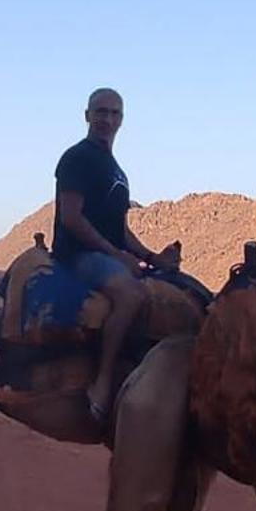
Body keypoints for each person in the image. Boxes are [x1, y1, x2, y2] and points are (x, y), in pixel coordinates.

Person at [53, 88, 176, 423]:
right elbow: (71, 218)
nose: (107, 119)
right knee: (131, 293)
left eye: (114, 113)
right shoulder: (77, 158)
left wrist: (152, 257)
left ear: (122, 119)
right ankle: (102, 380)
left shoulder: (115, 168)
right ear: (87, 115)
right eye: (101, 112)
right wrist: (116, 256)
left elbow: (118, 229)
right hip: (77, 255)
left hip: (104, 254)